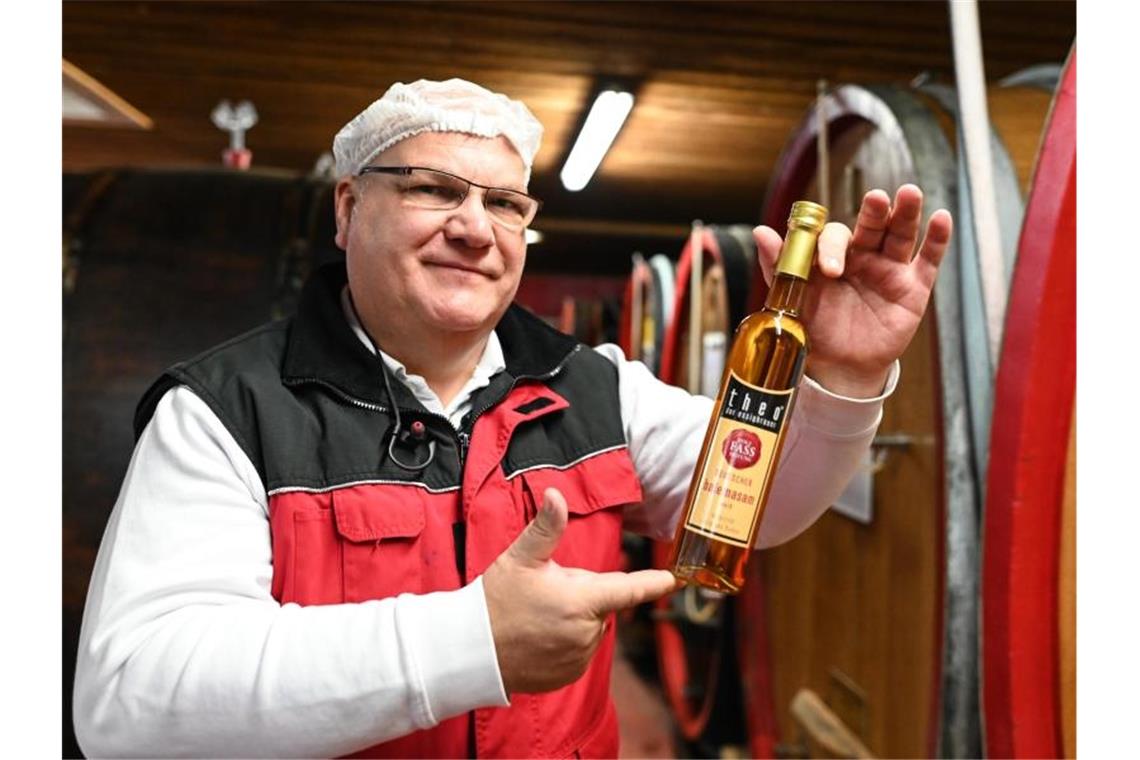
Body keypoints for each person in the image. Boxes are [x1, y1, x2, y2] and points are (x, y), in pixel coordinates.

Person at [73, 78, 952, 758]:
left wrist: (843, 374)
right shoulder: (228, 411)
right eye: (432, 189)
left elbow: (759, 503)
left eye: (505, 204)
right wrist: (468, 641)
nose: (474, 226)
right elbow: (130, 701)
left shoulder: (600, 388)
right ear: (347, 210)